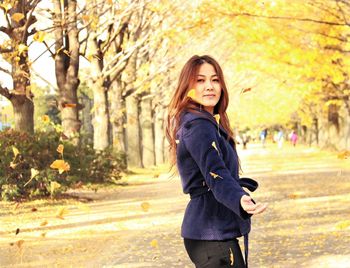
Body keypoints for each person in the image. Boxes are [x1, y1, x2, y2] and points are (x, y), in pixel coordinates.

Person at [166, 55, 267, 268]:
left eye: (215, 79)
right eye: (200, 81)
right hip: (209, 233)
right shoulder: (198, 126)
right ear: (187, 87)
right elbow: (216, 174)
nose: (209, 86)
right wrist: (239, 198)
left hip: (213, 230)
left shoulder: (206, 123)